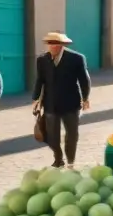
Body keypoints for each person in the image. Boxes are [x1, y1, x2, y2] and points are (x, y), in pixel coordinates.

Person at [32, 32, 91, 169]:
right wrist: (35, 98)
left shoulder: (76, 58)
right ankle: (58, 157)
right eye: (49, 43)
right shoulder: (42, 60)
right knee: (52, 135)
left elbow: (84, 80)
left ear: (62, 45)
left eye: (55, 43)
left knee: (72, 134)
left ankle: (70, 160)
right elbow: (40, 80)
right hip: (50, 103)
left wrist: (85, 98)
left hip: (71, 103)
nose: (52, 46)